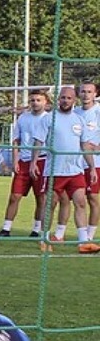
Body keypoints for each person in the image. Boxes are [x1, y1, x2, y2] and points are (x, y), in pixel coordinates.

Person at [30, 85, 100, 254]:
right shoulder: (49, 119)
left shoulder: (79, 120)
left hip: (75, 171)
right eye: (63, 98)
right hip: (55, 171)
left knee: (81, 203)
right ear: (58, 99)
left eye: (69, 98)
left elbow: (84, 146)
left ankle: (83, 242)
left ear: (73, 100)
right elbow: (38, 142)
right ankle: (45, 238)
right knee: (50, 205)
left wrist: (91, 167)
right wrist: (33, 162)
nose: (66, 101)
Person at [0, 89, 51, 237]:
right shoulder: (22, 118)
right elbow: (16, 140)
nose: (35, 103)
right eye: (32, 100)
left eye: (38, 100)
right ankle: (6, 228)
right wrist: (15, 159)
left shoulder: (49, 119)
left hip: (42, 161)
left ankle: (36, 230)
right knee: (15, 196)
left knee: (41, 197)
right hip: (24, 161)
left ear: (45, 102)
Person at [74, 82, 100, 241]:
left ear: (96, 94)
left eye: (89, 92)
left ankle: (90, 235)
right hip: (76, 163)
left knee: (93, 198)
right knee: (77, 199)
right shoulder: (75, 112)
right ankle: (61, 233)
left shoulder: (98, 112)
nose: (86, 95)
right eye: (83, 91)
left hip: (95, 163)